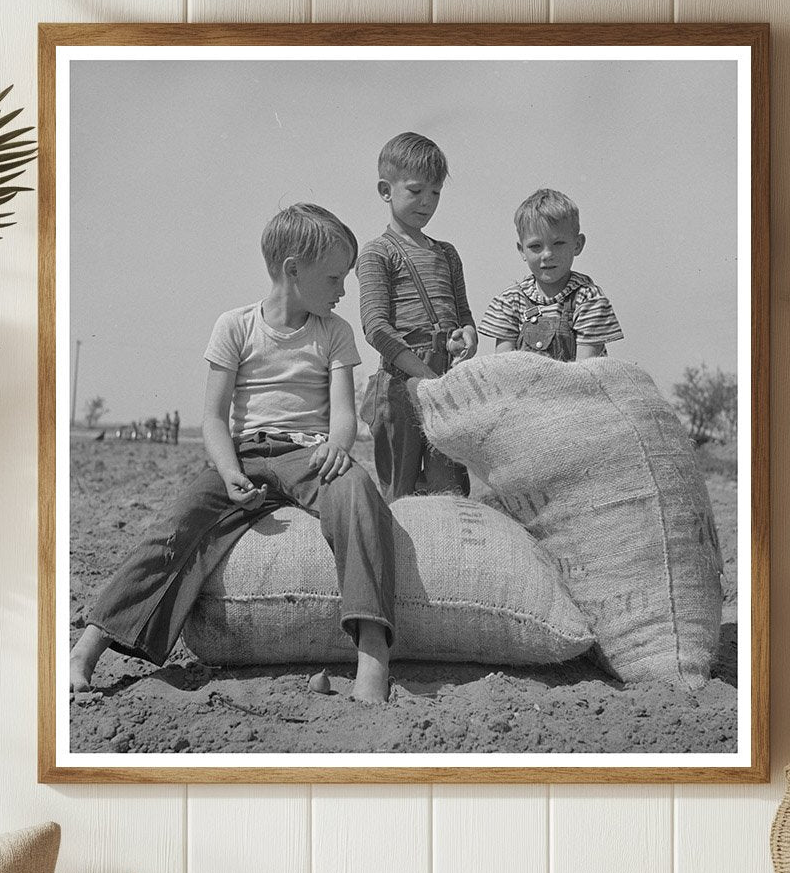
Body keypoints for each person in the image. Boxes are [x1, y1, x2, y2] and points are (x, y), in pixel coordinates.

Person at [69, 204, 396, 704]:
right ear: (293, 270)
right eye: (334, 277)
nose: (342, 290)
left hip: (308, 454)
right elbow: (215, 418)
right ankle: (88, 648)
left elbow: (343, 414)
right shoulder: (235, 327)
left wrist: (338, 445)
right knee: (178, 523)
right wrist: (227, 471)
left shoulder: (334, 333)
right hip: (241, 454)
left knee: (357, 491)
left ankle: (372, 653)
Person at [357, 132, 477, 501]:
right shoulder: (377, 253)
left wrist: (467, 336)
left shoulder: (447, 253)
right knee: (400, 491)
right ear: (385, 190)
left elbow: (464, 314)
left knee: (450, 489)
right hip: (400, 383)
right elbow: (376, 328)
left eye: (435, 193)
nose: (427, 202)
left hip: (445, 376)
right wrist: (426, 377)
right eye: (415, 191)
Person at [478, 189, 623, 361]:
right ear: (521, 250)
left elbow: (587, 369)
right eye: (535, 246)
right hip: (521, 386)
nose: (547, 254)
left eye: (558, 243)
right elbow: (502, 366)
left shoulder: (587, 299)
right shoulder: (511, 301)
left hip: (576, 386)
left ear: (577, 245)